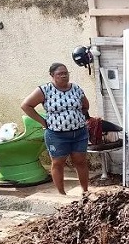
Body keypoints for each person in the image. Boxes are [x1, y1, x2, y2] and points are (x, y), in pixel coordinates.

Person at [21, 63, 90, 195]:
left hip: (79, 133)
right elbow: (26, 105)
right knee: (58, 163)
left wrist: (77, 117)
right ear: (52, 76)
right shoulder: (45, 90)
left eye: (66, 73)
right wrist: (43, 122)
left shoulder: (76, 88)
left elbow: (85, 105)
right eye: (60, 74)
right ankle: (61, 193)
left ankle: (85, 191)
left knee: (80, 161)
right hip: (57, 135)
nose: (64, 76)